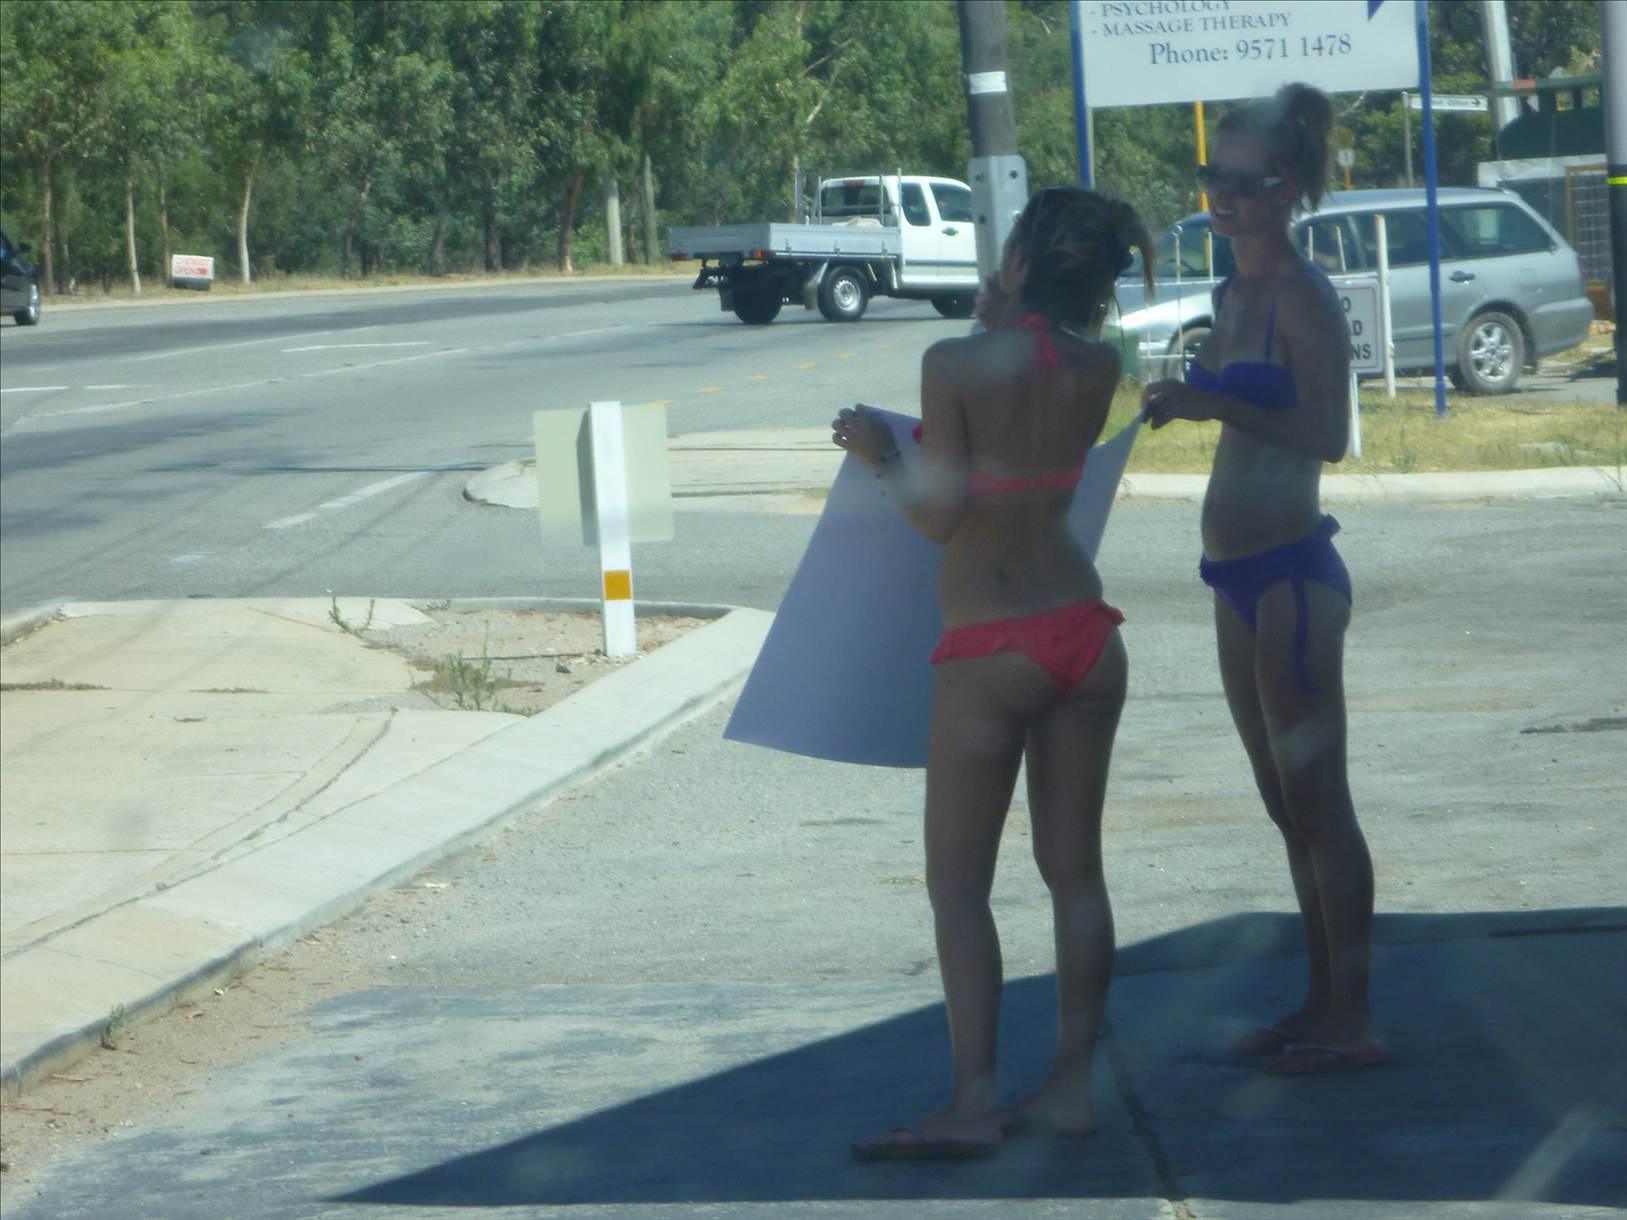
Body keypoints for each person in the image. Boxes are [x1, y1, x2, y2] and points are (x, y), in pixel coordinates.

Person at [832, 187, 1152, 1159]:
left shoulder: (954, 361)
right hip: (1084, 629)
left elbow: (937, 512)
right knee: (1074, 874)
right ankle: (1068, 1088)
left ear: (1014, 263)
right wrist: (1012, 312)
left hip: (992, 641)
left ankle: (973, 1098)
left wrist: (880, 450)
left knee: (959, 885)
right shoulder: (1101, 364)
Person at [1141, 82, 1388, 1075]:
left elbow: (1327, 434)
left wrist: (1209, 405)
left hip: (1291, 573)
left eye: (1242, 182)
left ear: (1287, 189)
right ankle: (1319, 996)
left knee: (1319, 797)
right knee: (1282, 800)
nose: (1222, 196)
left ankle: (1355, 1015)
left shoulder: (1297, 293)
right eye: (1212, 176)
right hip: (1232, 574)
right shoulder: (1230, 295)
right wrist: (1192, 399)